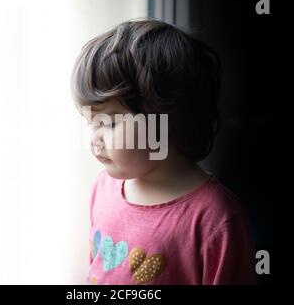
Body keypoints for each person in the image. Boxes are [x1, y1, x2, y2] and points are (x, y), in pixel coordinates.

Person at [70, 18, 256, 285]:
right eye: (92, 122)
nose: (94, 139)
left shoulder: (214, 219)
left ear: (165, 119)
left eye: (110, 123)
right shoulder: (103, 189)